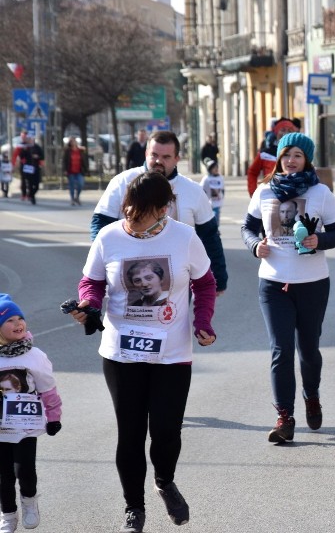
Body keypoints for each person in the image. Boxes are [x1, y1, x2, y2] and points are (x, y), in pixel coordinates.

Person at [71, 171, 217, 533]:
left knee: (166, 431)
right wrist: (88, 305)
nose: (134, 215)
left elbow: (205, 282)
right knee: (131, 433)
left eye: (144, 209)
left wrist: (203, 321)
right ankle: (133, 508)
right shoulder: (109, 237)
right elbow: (92, 281)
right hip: (121, 351)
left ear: (164, 207)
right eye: (130, 207)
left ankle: (165, 482)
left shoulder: (184, 237)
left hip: (172, 352)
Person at [241, 132, 335, 443]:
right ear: (278, 157)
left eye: (298, 155)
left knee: (309, 350)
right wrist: (253, 245)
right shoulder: (264, 192)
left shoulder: (320, 192)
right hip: (273, 282)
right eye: (286, 154)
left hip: (312, 284)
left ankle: (311, 394)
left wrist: (320, 240)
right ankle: (284, 417)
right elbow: (248, 227)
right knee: (281, 350)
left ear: (307, 159)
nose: (290, 160)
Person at [90, 130, 228, 295]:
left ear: (177, 158)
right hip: (130, 275)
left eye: (166, 157)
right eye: (154, 155)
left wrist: (219, 278)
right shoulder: (122, 183)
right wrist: (103, 265)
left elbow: (210, 236)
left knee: (175, 319)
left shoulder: (193, 191)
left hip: (179, 278)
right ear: (146, 153)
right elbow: (101, 224)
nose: (158, 161)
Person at [0, 294, 63, 532]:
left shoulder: (34, 356)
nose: (18, 324)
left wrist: (54, 416)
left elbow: (48, 389)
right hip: (0, 426)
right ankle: (7, 514)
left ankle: (29, 502)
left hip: (25, 422)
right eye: (9, 320)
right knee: (3, 475)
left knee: (24, 469)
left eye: (20, 318)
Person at [247, 118, 298, 197]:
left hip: (293, 197)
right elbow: (252, 172)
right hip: (269, 196)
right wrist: (253, 193)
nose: (286, 133)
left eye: (289, 130)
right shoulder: (265, 154)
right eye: (283, 130)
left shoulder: (299, 153)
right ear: (276, 132)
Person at [63, 136, 89, 206]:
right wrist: (65, 170)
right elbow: (65, 161)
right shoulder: (68, 151)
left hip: (79, 170)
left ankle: (77, 197)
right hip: (70, 170)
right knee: (71, 185)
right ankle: (72, 199)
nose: (73, 143)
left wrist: (86, 170)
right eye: (72, 141)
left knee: (81, 184)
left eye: (74, 141)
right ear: (70, 143)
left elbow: (84, 159)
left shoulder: (80, 150)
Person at [17, 136, 42, 205]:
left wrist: (38, 157)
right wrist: (24, 151)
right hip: (28, 167)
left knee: (36, 185)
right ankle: (32, 197)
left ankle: (31, 194)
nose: (30, 141)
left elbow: (42, 155)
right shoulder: (25, 147)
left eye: (31, 140)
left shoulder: (37, 147)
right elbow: (21, 156)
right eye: (29, 140)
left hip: (36, 167)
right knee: (30, 183)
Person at [199, 157, 224, 226]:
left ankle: (216, 229)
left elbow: (222, 189)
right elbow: (200, 189)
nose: (216, 169)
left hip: (217, 202)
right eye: (214, 168)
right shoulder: (206, 179)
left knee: (216, 216)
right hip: (209, 202)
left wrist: (222, 197)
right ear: (210, 169)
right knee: (209, 218)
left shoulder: (220, 178)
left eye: (217, 167)